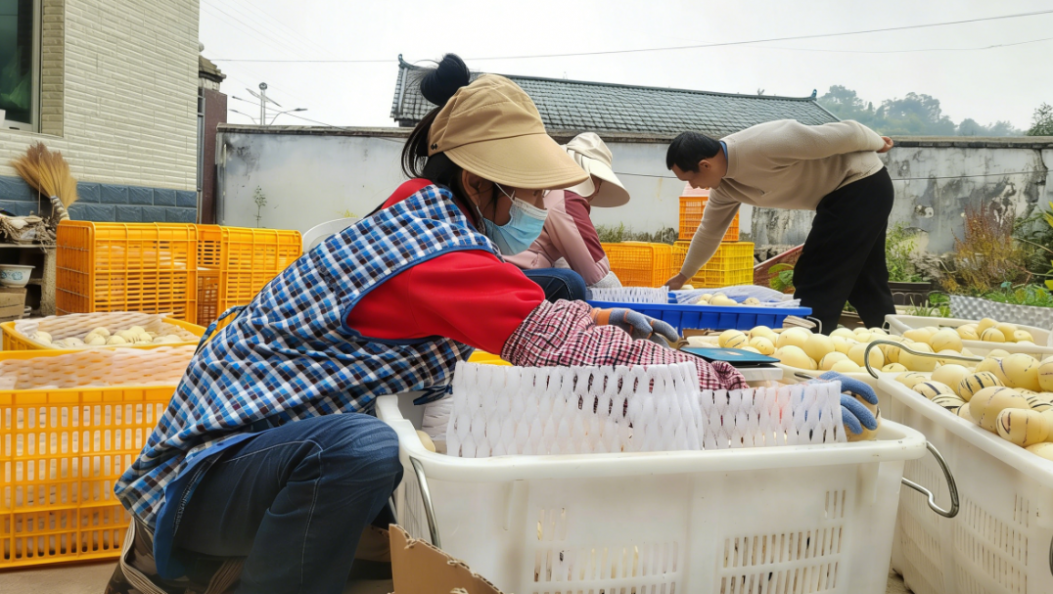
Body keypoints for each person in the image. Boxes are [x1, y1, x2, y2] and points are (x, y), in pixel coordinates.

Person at [106, 54, 749, 594]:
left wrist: (598, 312)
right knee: (361, 450)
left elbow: (521, 303)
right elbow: (559, 344)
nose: (535, 209)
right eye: (526, 194)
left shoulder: (423, 216)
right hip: (198, 483)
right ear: (475, 182)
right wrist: (741, 396)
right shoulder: (435, 251)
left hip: (253, 460)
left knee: (412, 454)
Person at [663, 120, 897, 333]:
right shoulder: (723, 188)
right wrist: (684, 276)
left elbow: (849, 133)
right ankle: (892, 341)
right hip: (847, 195)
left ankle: (806, 343)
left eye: (690, 180)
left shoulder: (763, 145)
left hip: (860, 183)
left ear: (705, 165)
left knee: (817, 272)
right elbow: (709, 231)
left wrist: (878, 142)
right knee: (866, 280)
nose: (693, 186)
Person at [507, 133, 630, 292]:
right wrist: (628, 303)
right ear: (590, 176)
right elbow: (597, 275)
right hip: (519, 273)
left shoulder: (550, 188)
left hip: (507, 267)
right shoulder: (566, 199)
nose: (599, 190)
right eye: (600, 180)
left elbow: (564, 260)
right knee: (571, 282)